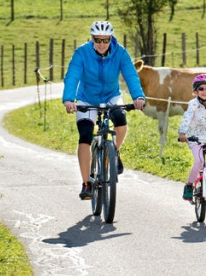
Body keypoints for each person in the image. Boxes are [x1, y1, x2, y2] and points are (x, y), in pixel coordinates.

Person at [62, 21, 146, 200]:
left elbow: (131, 75)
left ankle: (114, 151)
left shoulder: (120, 53)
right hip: (86, 98)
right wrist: (69, 99)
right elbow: (72, 76)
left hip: (111, 97)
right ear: (92, 38)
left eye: (105, 40)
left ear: (111, 39)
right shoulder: (81, 53)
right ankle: (86, 183)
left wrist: (138, 97)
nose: (101, 44)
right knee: (85, 135)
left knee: (121, 120)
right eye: (97, 39)